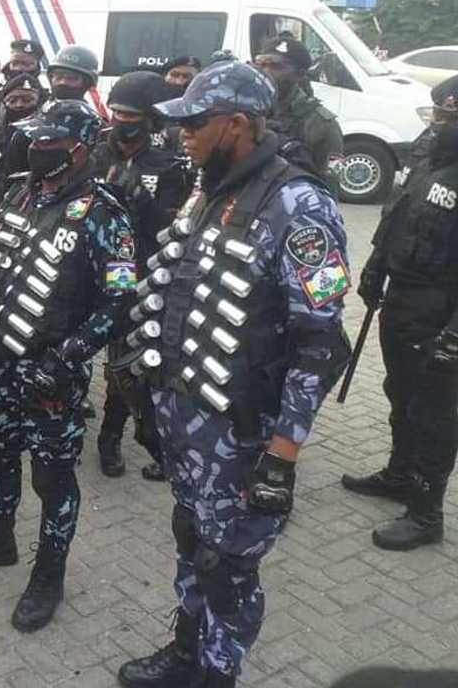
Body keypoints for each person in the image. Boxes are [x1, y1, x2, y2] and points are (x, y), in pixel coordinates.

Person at [117, 61, 350, 688]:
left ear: (238, 124)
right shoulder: (207, 185)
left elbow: (320, 342)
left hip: (245, 431)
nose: (181, 134)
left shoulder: (300, 203)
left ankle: (219, 674)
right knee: (193, 535)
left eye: (195, 123)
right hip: (188, 416)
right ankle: (186, 651)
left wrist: (283, 452)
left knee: (229, 565)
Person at [0, 97, 135, 633]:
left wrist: (70, 354)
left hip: (51, 374)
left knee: (52, 479)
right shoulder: (20, 192)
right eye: (34, 139)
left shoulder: (103, 213)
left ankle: (49, 575)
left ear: (77, 150)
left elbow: (119, 302)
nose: (35, 148)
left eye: (47, 141)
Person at [342, 75, 458, 551]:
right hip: (403, 299)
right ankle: (400, 474)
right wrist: (374, 270)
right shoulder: (428, 157)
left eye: (450, 117)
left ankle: (426, 513)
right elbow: (396, 216)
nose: (439, 125)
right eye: (438, 115)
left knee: (434, 413)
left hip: (441, 309)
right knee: (400, 394)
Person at [97, 71, 192, 480]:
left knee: (126, 359)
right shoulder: (96, 154)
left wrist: (140, 197)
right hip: (92, 267)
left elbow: (170, 233)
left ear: (150, 119)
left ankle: (112, 434)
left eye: (131, 114)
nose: (122, 120)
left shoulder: (169, 165)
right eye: (116, 111)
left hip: (138, 273)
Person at [255, 35, 344, 192]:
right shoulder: (245, 112)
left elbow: (329, 189)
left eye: (277, 66)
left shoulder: (322, 125)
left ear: (300, 74)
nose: (266, 72)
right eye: (261, 64)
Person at [0, 73, 43, 207]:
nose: (19, 105)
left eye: (27, 100)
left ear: (39, 103)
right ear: (4, 103)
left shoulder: (46, 141)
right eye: (13, 100)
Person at [0, 39, 45, 128]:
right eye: (15, 63)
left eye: (26, 64)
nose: (19, 68)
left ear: (37, 67)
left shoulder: (46, 100)